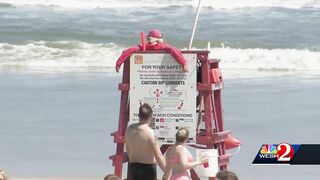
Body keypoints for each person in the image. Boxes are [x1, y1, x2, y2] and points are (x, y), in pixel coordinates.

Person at [115, 29, 189, 72]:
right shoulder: (163, 46)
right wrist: (183, 63)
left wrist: (118, 64)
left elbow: (128, 51)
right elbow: (175, 51)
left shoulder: (143, 46)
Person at [125, 103, 166, 180]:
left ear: (138, 115)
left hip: (133, 167)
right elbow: (158, 155)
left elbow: (127, 148)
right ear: (151, 116)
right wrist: (167, 172)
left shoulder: (129, 129)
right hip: (148, 169)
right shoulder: (151, 133)